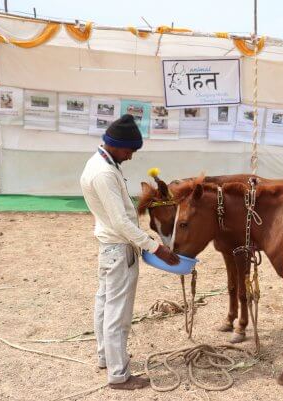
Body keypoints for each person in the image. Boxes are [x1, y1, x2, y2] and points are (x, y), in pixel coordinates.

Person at [80, 114, 179, 390]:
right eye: (130, 151)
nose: (131, 156)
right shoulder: (104, 173)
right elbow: (122, 223)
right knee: (118, 314)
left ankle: (106, 357)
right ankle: (119, 375)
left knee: (104, 304)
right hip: (119, 249)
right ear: (116, 145)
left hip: (110, 247)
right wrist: (156, 247)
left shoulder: (100, 164)